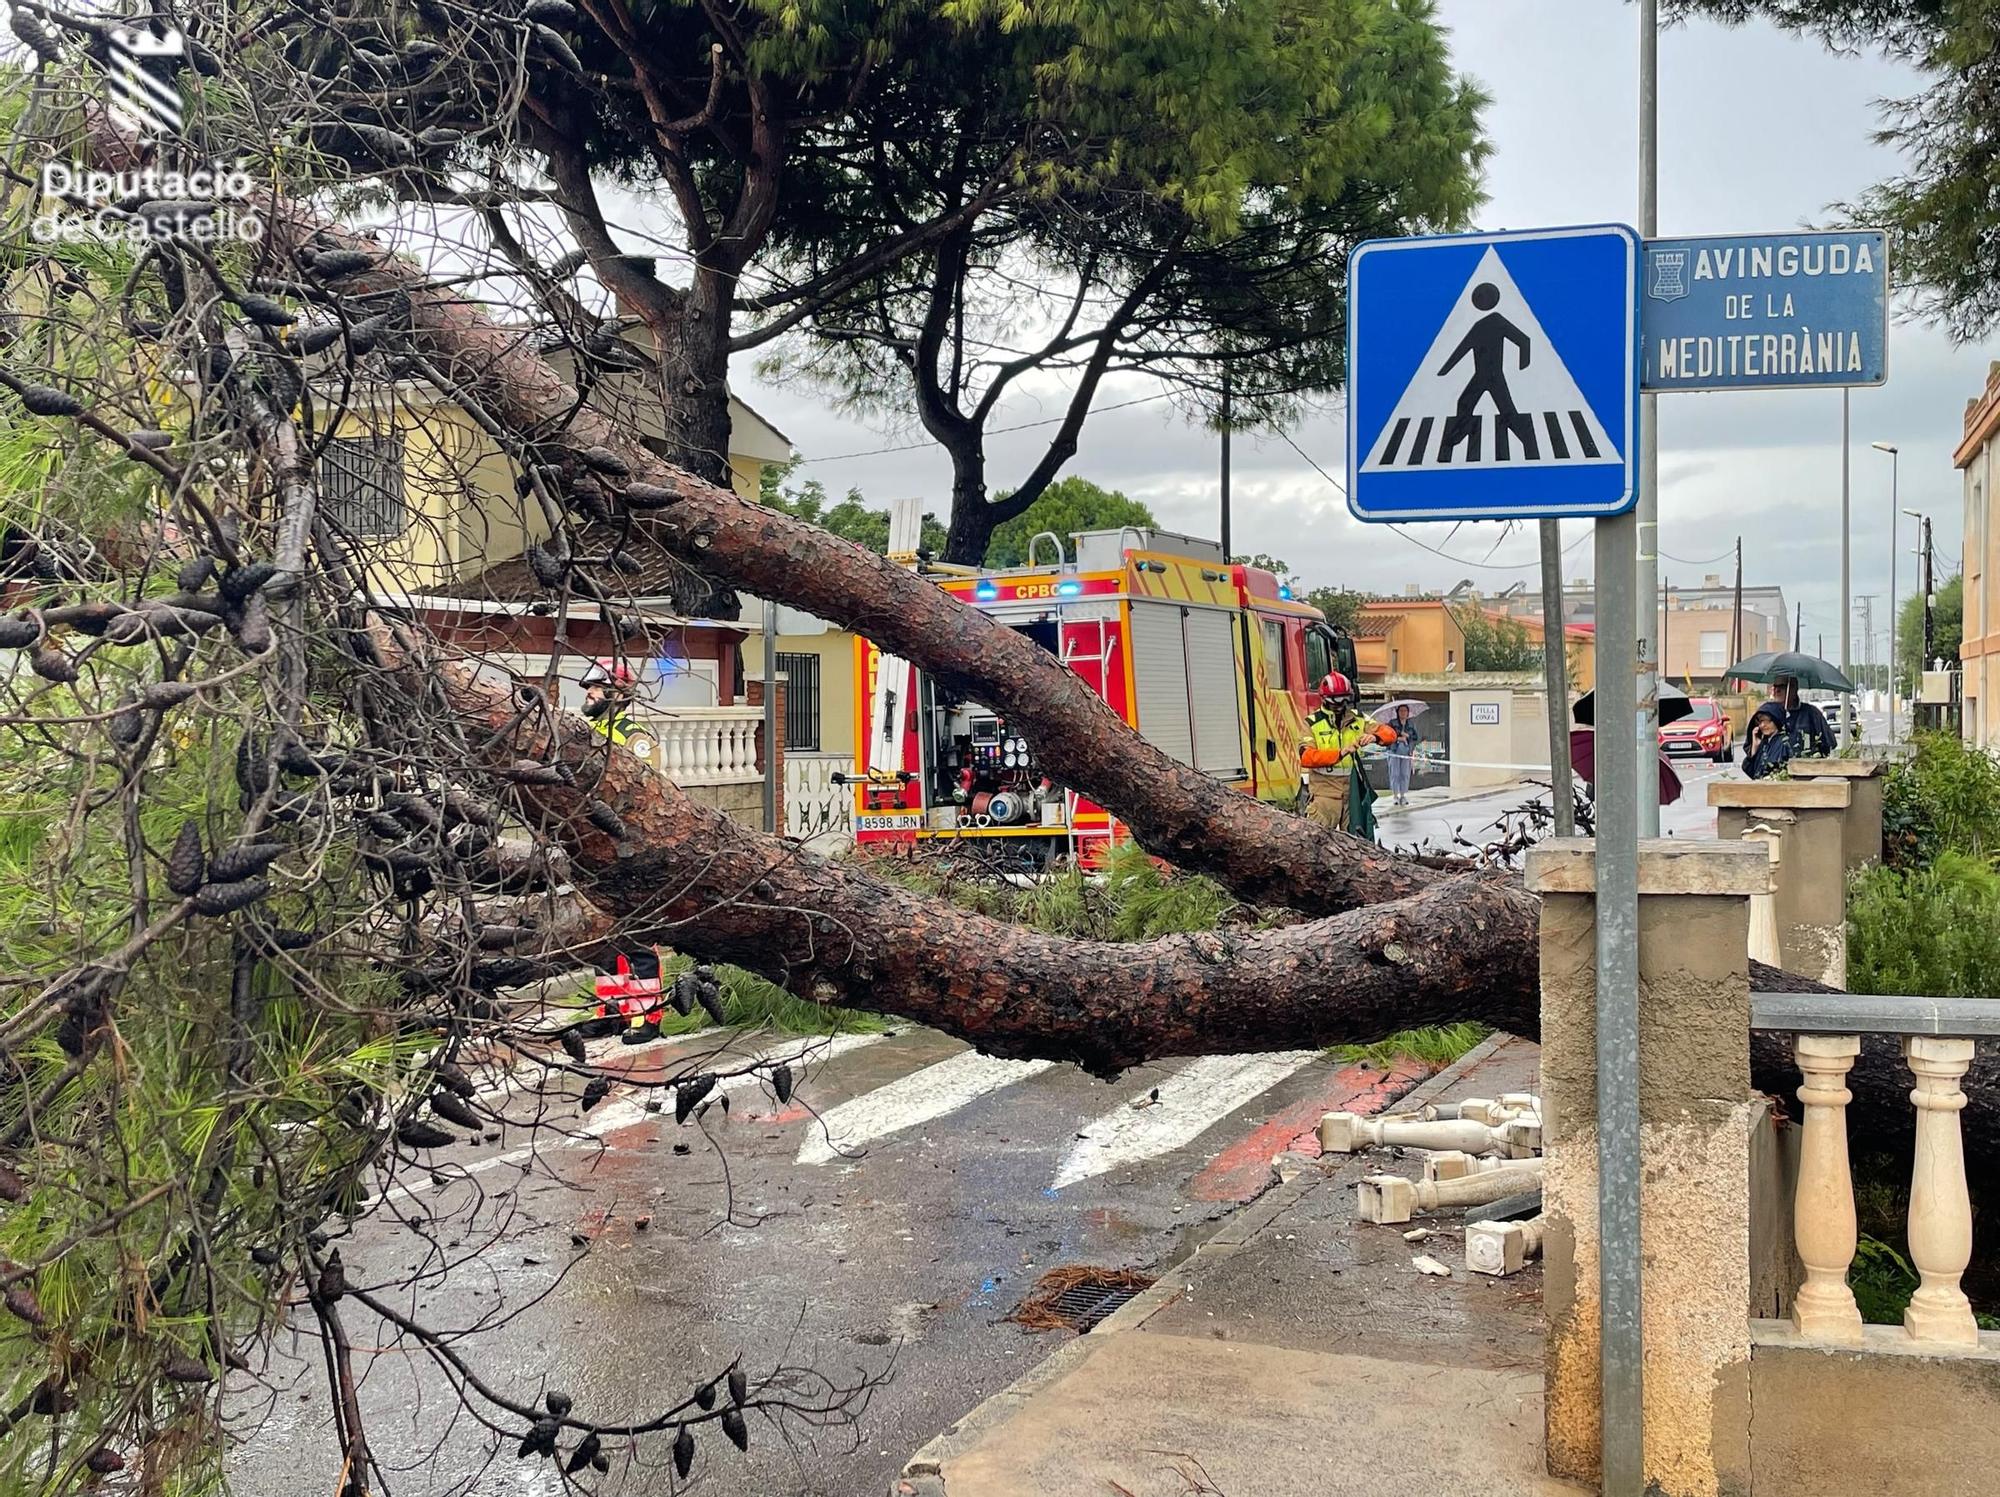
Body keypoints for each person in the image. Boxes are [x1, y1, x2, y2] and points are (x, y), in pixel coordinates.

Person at [1301, 673, 1388, 836]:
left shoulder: (1358, 719)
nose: (1341, 705)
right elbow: (1307, 757)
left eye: (1344, 699)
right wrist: (1340, 753)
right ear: (1325, 699)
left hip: (1352, 796)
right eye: (1336, 700)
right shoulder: (1312, 723)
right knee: (1317, 843)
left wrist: (1375, 737)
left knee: (1358, 844)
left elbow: (1389, 733)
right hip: (1324, 795)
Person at [1742, 673, 1835, 779]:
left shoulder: (1811, 713)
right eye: (1775, 687)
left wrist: (1812, 759)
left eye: (1781, 687)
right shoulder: (1766, 713)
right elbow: (1754, 756)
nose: (1776, 691)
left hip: (1806, 778)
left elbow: (1828, 744)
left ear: (1794, 688)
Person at [580, 659, 639, 745]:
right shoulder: (586, 729)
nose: (589, 691)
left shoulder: (632, 736)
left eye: (597, 687)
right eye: (589, 686)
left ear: (618, 695)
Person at [1385, 704, 1421, 807]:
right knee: (1395, 774)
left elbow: (1415, 737)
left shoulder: (1411, 724)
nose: (1403, 713)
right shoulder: (1392, 723)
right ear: (1397, 712)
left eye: (1405, 711)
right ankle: (1395, 795)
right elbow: (1387, 736)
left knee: (1405, 774)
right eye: (1401, 711)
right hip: (1394, 751)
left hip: (1406, 752)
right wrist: (1397, 738)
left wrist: (1407, 736)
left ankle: (1403, 795)